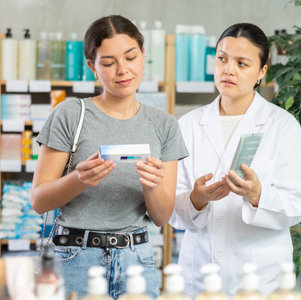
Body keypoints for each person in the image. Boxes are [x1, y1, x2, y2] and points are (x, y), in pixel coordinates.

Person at [32, 15, 188, 299]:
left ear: (143, 55)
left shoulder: (165, 125)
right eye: (108, 62)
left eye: (131, 57)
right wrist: (79, 179)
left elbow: (162, 216)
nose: (122, 70)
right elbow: (39, 200)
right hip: (76, 260)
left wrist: (152, 185)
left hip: (137, 261)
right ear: (93, 67)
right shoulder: (71, 115)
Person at [170, 23, 301, 298]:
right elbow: (170, 208)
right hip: (200, 275)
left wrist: (258, 195)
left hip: (263, 278)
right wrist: (196, 199)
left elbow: (299, 205)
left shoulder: (282, 125)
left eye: (242, 63)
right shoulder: (187, 125)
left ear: (261, 72)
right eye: (222, 59)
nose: (228, 69)